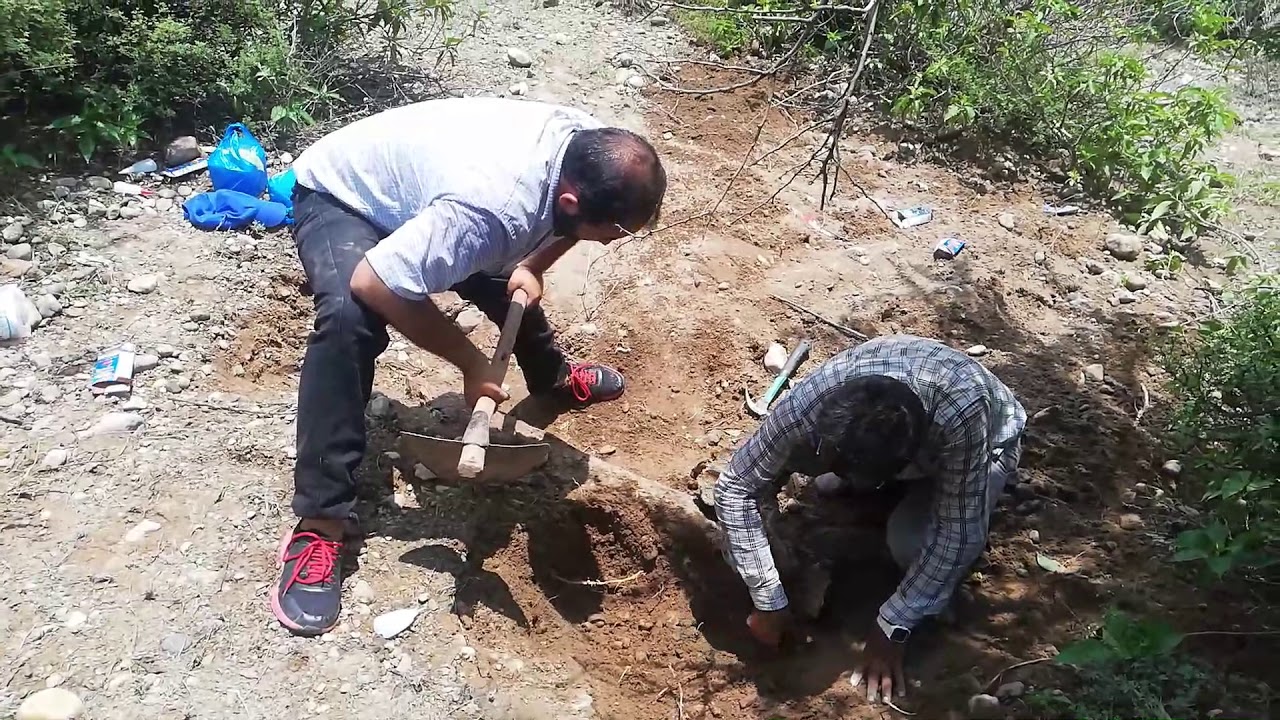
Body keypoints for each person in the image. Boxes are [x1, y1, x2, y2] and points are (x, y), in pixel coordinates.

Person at [271, 97, 667, 636]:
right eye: (614, 230)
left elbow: (570, 226)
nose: (611, 240)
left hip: (439, 200)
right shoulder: (489, 212)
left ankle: (551, 380)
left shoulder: (593, 145)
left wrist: (532, 265)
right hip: (346, 197)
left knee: (504, 276)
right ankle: (320, 522)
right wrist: (471, 362)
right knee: (348, 318)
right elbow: (376, 281)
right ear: (573, 198)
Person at [714, 334, 1026, 703]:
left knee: (909, 544)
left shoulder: (961, 414)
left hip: (984, 446)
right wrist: (768, 598)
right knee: (823, 485)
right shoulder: (811, 405)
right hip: (879, 448)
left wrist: (892, 627)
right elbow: (735, 487)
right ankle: (859, 485)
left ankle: (893, 500)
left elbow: (956, 535)